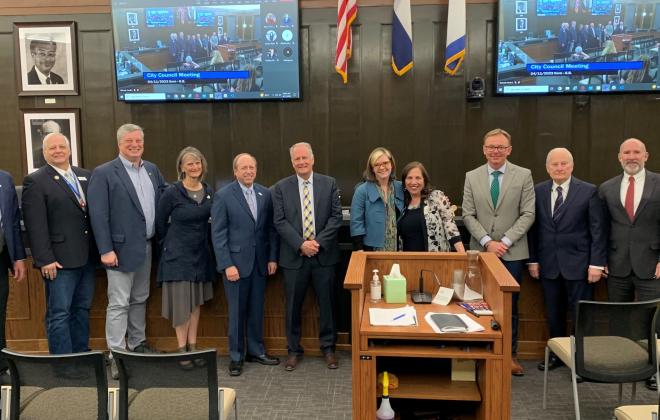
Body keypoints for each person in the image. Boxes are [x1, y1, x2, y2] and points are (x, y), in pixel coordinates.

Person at [88, 123, 166, 379]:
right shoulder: (104, 173)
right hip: (118, 251)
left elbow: (164, 200)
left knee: (140, 298)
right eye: (129, 142)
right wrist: (106, 249)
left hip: (147, 246)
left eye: (138, 141)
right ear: (119, 143)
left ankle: (137, 344)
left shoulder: (152, 170)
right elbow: (98, 216)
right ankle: (116, 354)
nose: (135, 145)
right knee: (119, 302)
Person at [462, 128, 535, 376]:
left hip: (511, 252)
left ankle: (509, 355)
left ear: (509, 150)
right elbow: (468, 214)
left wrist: (503, 241)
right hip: (481, 252)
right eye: (491, 147)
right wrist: (486, 242)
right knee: (476, 303)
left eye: (501, 147)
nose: (496, 151)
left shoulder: (523, 175)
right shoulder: (471, 176)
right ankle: (478, 352)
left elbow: (528, 213)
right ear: (484, 149)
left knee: (509, 306)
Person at [528, 148, 607, 372]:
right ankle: (556, 355)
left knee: (581, 315)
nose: (559, 168)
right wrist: (533, 260)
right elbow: (533, 230)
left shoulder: (589, 191)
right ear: (547, 167)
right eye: (555, 164)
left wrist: (596, 264)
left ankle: (582, 362)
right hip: (548, 265)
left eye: (564, 164)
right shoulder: (538, 191)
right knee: (553, 313)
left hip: (581, 266)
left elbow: (597, 230)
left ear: (572, 166)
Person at [21, 133, 97, 356]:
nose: (57, 150)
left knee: (82, 309)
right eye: (51, 148)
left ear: (70, 149)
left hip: (87, 258)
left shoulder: (85, 175)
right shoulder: (36, 181)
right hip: (58, 261)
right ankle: (63, 362)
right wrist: (45, 260)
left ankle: (82, 355)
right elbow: (36, 226)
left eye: (61, 146)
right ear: (44, 153)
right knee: (60, 313)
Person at [272, 142, 342, 371]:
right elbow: (279, 221)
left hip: (324, 256)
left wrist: (317, 243)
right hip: (294, 257)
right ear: (292, 162)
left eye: (305, 158)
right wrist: (301, 244)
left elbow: (335, 218)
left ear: (313, 159)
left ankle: (329, 348)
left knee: (327, 304)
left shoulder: (329, 183)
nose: (301, 162)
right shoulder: (281, 187)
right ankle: (293, 351)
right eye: (296, 159)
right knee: (292, 306)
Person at [598, 138, 660, 390]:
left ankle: (652, 369)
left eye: (636, 152)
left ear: (646, 156)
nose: (631, 156)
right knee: (619, 316)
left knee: (653, 319)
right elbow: (600, 227)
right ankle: (622, 367)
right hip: (617, 264)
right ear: (619, 157)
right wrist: (600, 259)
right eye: (627, 152)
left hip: (652, 263)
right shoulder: (606, 188)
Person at [212, 153, 280, 376]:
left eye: (252, 167)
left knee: (256, 310)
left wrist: (272, 257)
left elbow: (270, 230)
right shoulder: (223, 196)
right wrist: (227, 265)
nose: (249, 171)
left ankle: (256, 351)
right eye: (244, 168)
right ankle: (236, 356)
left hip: (260, 264)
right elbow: (218, 234)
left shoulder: (265, 193)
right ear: (235, 171)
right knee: (237, 313)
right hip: (236, 266)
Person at [156, 147, 215, 369]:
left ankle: (193, 346)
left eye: (197, 163)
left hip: (201, 255)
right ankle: (182, 350)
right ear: (182, 167)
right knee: (182, 304)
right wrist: (169, 247)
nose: (194, 167)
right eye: (189, 163)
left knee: (194, 303)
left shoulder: (209, 191)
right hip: (177, 256)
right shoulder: (172, 192)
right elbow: (160, 224)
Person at [397, 162, 465, 253]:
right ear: (404, 182)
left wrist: (463, 255)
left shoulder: (436, 197)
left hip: (435, 261)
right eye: (409, 178)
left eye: (418, 178)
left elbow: (450, 227)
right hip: (408, 262)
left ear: (424, 180)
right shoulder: (401, 203)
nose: (413, 182)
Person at [350, 147, 404, 251]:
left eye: (385, 163)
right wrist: (359, 249)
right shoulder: (362, 191)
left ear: (391, 165)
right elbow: (356, 223)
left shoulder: (401, 188)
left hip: (399, 248)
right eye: (377, 164)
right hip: (372, 249)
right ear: (372, 169)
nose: (382, 167)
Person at [0, 169, 26, 374]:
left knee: (0, 312)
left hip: (1, 256)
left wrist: (18, 257)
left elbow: (14, 222)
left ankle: (1, 364)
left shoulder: (5, 178)